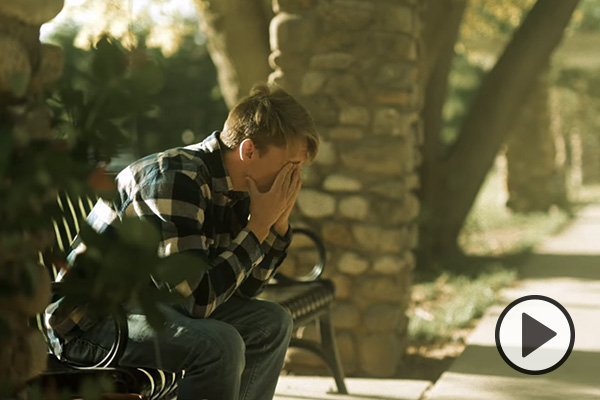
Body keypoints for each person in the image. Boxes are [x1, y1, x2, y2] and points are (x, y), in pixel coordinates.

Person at [46, 83, 319, 400]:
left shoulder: (241, 188)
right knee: (219, 345)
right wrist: (259, 226)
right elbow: (196, 301)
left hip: (154, 309)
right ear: (249, 151)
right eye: (290, 166)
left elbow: (243, 291)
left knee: (272, 322)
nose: (294, 178)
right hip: (92, 324)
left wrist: (276, 224)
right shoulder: (175, 177)